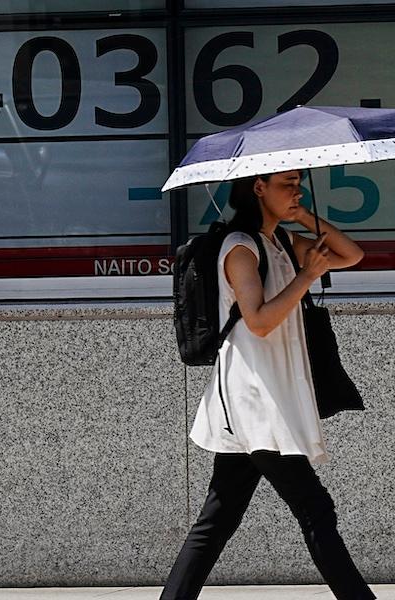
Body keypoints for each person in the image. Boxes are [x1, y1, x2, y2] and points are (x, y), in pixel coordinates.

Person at [160, 170, 373, 600]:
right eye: (286, 184)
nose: (297, 189)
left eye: (298, 182)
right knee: (315, 509)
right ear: (259, 188)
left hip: (268, 397)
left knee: (218, 518)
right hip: (253, 401)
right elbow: (257, 321)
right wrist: (306, 276)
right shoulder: (240, 248)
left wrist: (305, 216)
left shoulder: (280, 242)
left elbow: (351, 254)